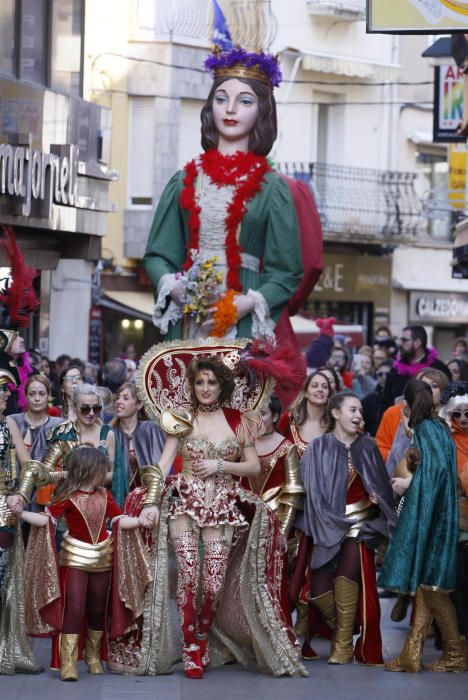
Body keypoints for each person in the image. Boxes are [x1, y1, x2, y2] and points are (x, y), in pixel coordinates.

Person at [118, 350, 306, 679]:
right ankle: (191, 648)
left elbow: (251, 465)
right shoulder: (182, 417)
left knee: (213, 583)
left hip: (223, 504)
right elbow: (164, 463)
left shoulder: (240, 420)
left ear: (222, 385)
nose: (205, 387)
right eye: (200, 381)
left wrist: (220, 465)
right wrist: (150, 500)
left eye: (212, 382)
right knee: (189, 579)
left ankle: (203, 636)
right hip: (185, 503)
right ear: (193, 385)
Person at [143, 47, 302, 340]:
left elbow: (287, 271)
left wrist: (250, 302)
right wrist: (174, 286)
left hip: (239, 315)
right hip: (189, 314)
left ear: (262, 110)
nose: (230, 109)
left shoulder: (272, 188)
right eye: (221, 99)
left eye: (244, 101)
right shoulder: (183, 181)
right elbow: (157, 255)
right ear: (210, 107)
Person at [19, 446, 149, 682]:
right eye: (102, 468)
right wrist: (21, 514)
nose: (106, 473)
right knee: (75, 608)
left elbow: (118, 520)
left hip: (103, 559)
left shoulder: (105, 496)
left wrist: (140, 520)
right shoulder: (67, 495)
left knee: (98, 610)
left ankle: (92, 656)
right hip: (75, 559)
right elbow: (45, 519)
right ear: (90, 470)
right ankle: (68, 663)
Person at [298, 392, 395, 665]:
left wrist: (377, 496)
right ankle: (344, 625)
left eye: (361, 412)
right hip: (324, 526)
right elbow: (306, 490)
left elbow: (382, 487)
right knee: (317, 590)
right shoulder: (317, 448)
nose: (358, 416)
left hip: (359, 526)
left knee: (346, 580)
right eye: (352, 410)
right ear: (336, 413)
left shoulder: (368, 447)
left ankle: (341, 643)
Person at [379, 379, 468, 673]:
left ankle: (454, 652)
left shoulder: (427, 429)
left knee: (432, 587)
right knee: (427, 587)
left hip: (434, 519)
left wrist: (410, 485)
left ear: (406, 404)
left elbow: (434, 476)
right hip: (441, 516)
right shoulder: (437, 427)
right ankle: (412, 654)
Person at [32, 383, 127, 508]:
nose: (91, 413)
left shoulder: (107, 434)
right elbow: (45, 474)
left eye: (96, 408)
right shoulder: (63, 434)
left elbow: (115, 474)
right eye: (85, 409)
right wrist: (69, 475)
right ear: (75, 407)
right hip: (68, 506)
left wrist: (86, 479)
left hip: (99, 505)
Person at [439, 382, 468, 639]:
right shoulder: (443, 439)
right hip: (453, 520)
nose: (463, 419)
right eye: (456, 414)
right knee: (457, 579)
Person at [9, 375, 63, 509]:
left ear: (49, 395)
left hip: (45, 497)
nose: (37, 398)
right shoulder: (12, 421)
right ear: (26, 396)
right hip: (12, 496)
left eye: (42, 393)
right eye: (32, 394)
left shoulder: (59, 425)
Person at [381, 325, 450, 412]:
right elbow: (385, 402)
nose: (400, 343)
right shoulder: (395, 369)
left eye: (404, 340)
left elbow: (448, 400)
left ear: (417, 343)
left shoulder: (438, 368)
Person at [112, 383, 165, 492]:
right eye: (117, 398)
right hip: (120, 501)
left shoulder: (151, 429)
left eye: (125, 398)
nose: (119, 402)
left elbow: (162, 467)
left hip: (150, 496)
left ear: (139, 404)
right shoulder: (111, 434)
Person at [278, 370, 333, 456]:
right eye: (315, 386)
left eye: (325, 387)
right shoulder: (289, 419)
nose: (320, 389)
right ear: (306, 393)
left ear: (329, 394)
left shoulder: (334, 424)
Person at [362, 360, 392, 436]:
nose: (384, 377)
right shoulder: (369, 399)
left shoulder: (400, 399)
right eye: (380, 374)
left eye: (388, 374)